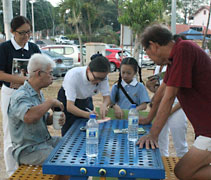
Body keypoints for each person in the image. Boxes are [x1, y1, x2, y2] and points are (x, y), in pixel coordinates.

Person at [137, 24, 211, 179]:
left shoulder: (183, 50)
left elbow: (169, 97)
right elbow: (160, 93)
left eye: (147, 53)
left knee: (183, 171)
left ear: (154, 45)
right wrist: (149, 118)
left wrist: (153, 135)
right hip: (204, 128)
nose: (149, 57)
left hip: (209, 130)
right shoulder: (173, 58)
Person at [8, 53, 65, 166]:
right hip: (27, 150)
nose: (52, 77)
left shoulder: (38, 93)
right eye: (50, 73)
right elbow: (29, 117)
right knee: (60, 159)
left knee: (70, 144)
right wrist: (50, 102)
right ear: (39, 73)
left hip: (44, 142)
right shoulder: (21, 95)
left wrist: (55, 118)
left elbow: (40, 120)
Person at [0, 16, 40, 176]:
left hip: (31, 94)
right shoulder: (4, 48)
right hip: (11, 93)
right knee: (11, 134)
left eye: (29, 32)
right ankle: (12, 173)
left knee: (32, 131)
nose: (26, 36)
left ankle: (29, 168)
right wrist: (23, 80)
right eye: (22, 33)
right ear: (12, 32)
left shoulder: (34, 48)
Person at [57, 54, 111, 136]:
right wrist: (87, 115)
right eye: (96, 78)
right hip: (68, 100)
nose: (99, 81)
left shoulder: (102, 77)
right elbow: (70, 107)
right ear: (88, 69)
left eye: (102, 79)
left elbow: (107, 97)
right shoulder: (73, 76)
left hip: (85, 98)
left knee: (88, 127)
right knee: (70, 131)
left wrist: (104, 105)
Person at [144, 65, 188, 157]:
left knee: (180, 144)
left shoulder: (178, 66)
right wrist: (150, 87)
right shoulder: (158, 67)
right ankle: (164, 169)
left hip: (176, 107)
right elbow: (159, 91)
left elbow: (184, 95)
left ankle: (184, 169)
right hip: (161, 107)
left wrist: (168, 112)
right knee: (160, 143)